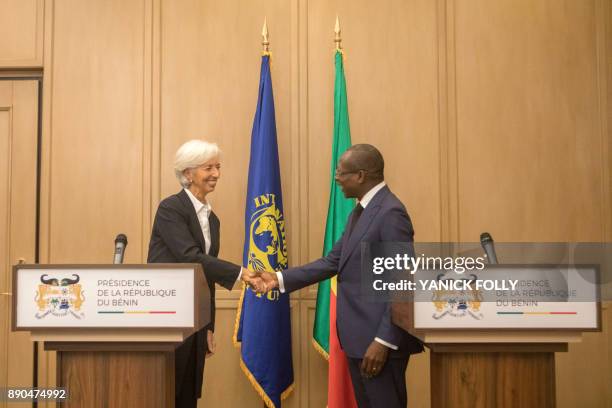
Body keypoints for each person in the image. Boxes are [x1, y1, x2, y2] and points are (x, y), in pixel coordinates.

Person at [256, 144, 423, 408]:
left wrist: (383, 341)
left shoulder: (391, 213)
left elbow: (402, 281)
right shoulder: (361, 211)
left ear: (360, 175)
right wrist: (277, 279)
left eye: (340, 172)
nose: (336, 178)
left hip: (379, 346)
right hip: (359, 340)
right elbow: (333, 261)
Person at [147, 139, 259, 408]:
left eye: (218, 167)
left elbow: (205, 276)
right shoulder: (171, 208)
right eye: (208, 167)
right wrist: (242, 274)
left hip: (194, 322)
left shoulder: (212, 219)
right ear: (188, 173)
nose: (216, 174)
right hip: (166, 318)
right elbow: (190, 257)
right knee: (164, 393)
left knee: (188, 394)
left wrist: (208, 327)